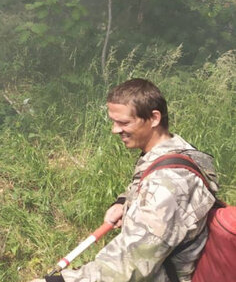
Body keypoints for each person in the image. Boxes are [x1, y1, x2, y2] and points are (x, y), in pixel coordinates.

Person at [32, 78, 218, 282]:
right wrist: (124, 203)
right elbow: (147, 188)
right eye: (113, 121)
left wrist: (58, 281)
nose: (115, 130)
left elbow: (128, 267)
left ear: (154, 118)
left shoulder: (171, 181)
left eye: (123, 122)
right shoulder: (171, 152)